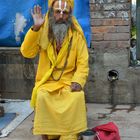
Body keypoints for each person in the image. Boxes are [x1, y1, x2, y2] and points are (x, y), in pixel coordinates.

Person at [20, 0, 89, 140]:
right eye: (58, 11)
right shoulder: (42, 29)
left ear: (69, 15)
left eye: (65, 12)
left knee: (76, 96)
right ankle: (49, 132)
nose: (61, 15)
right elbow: (27, 52)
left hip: (68, 81)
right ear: (52, 12)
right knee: (42, 95)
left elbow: (83, 62)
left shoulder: (76, 35)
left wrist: (78, 81)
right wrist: (36, 28)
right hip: (47, 81)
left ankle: (69, 132)